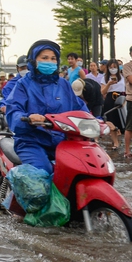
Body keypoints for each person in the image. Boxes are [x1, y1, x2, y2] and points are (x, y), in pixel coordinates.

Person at [6, 39, 89, 175]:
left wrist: (97, 121)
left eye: (53, 58)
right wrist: (28, 118)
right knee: (42, 175)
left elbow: (80, 109)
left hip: (63, 141)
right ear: (33, 60)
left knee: (85, 169)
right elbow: (13, 111)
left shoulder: (64, 84)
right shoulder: (23, 84)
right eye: (44, 58)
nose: (49, 62)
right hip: (31, 141)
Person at [100, 59, 126, 150]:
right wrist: (109, 84)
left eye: (114, 67)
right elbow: (102, 91)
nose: (113, 69)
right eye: (111, 67)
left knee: (123, 121)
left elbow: (127, 89)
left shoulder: (123, 77)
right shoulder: (105, 78)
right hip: (110, 99)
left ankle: (130, 143)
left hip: (122, 98)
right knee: (111, 121)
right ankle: (115, 142)